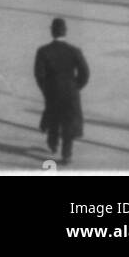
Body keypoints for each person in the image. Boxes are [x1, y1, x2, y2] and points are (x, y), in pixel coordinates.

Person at [34, 17, 90, 165]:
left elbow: (39, 75)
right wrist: (76, 86)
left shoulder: (43, 51)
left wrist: (45, 89)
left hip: (52, 91)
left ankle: (53, 144)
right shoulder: (74, 51)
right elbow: (85, 73)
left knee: (53, 117)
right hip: (70, 92)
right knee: (68, 123)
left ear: (52, 32)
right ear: (65, 32)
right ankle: (67, 155)